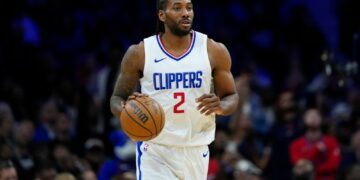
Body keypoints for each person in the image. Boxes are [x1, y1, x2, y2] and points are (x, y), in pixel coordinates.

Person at [110, 0, 238, 179]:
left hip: (196, 149)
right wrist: (127, 110)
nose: (186, 13)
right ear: (162, 15)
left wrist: (221, 106)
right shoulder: (140, 53)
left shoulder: (213, 50)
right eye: (177, 8)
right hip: (156, 150)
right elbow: (116, 98)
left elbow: (231, 96)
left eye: (189, 7)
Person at [289, 108, 341, 180]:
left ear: (321, 119)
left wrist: (314, 169)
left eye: (316, 115)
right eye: (310, 116)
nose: (313, 117)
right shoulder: (296, 144)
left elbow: (334, 164)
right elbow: (300, 165)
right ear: (304, 120)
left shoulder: (332, 141)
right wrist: (316, 149)